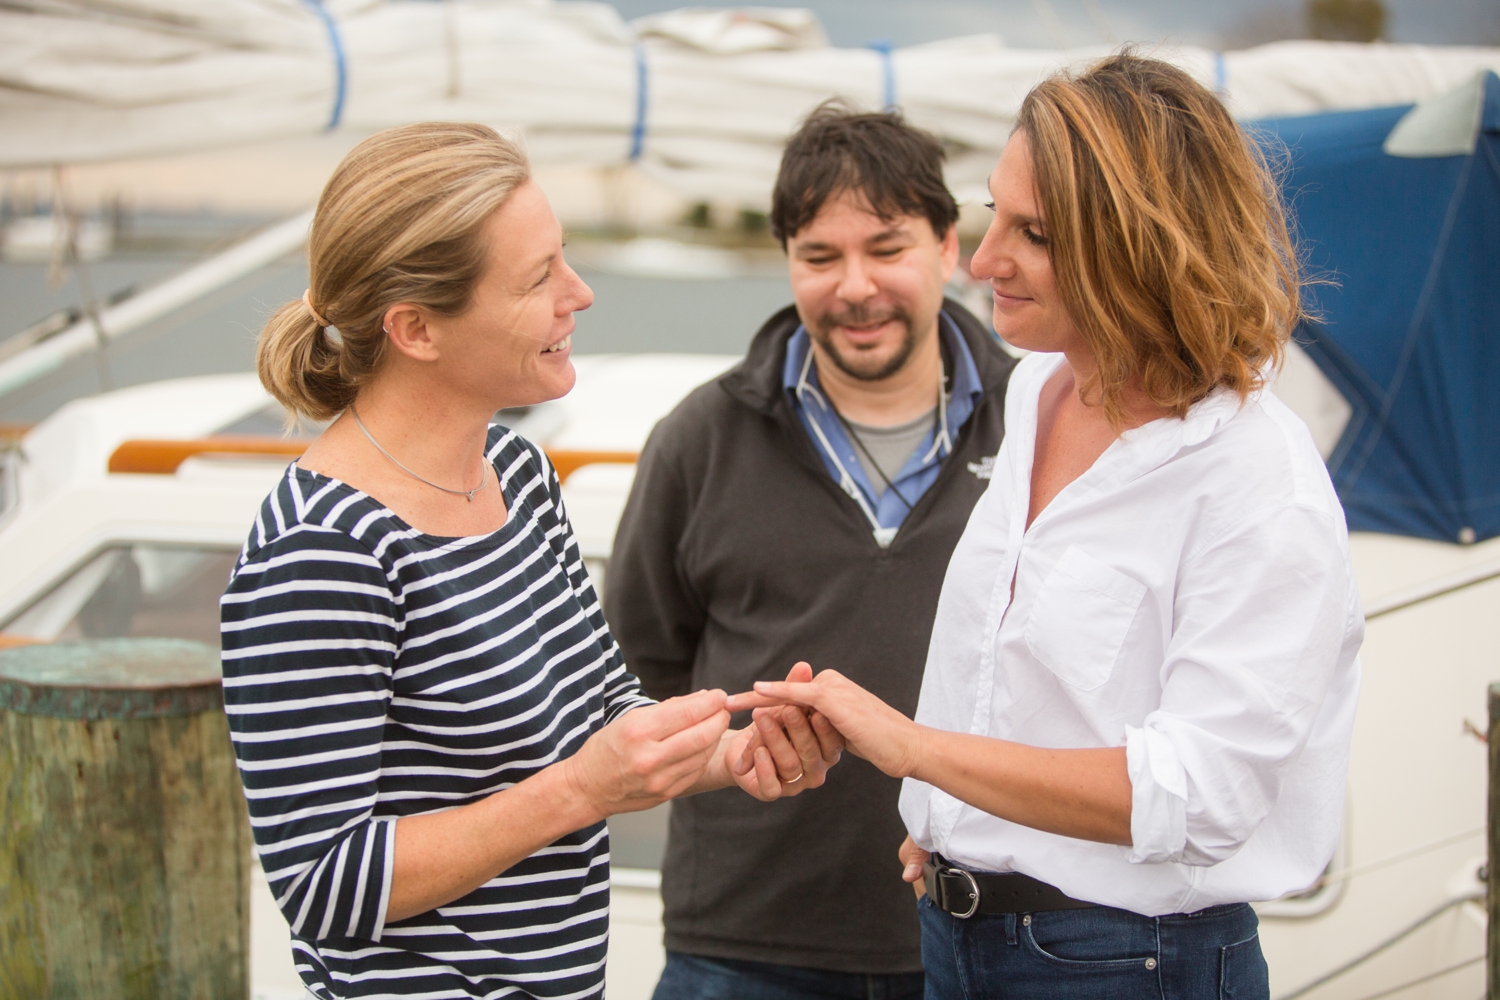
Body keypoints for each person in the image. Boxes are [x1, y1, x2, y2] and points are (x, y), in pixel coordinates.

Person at [733, 54, 1364, 998]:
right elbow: (1017, 682)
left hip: (1133, 963)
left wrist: (913, 750)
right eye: (996, 214)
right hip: (958, 939)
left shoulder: (1255, 478)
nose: (984, 261)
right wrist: (954, 827)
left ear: (1139, 246)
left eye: (1035, 233)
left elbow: (1201, 795)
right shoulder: (1034, 394)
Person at [218, 122, 841, 1000]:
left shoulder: (516, 472)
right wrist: (581, 791)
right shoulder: (321, 552)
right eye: (538, 277)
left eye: (566, 260)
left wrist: (729, 756)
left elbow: (596, 712)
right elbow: (324, 885)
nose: (578, 294)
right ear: (416, 329)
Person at [605, 104, 1018, 998]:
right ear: (787, 259)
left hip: (993, 931)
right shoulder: (698, 439)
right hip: (743, 944)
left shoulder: (1043, 426)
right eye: (820, 257)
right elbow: (638, 673)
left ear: (949, 247)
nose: (855, 287)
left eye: (887, 248)